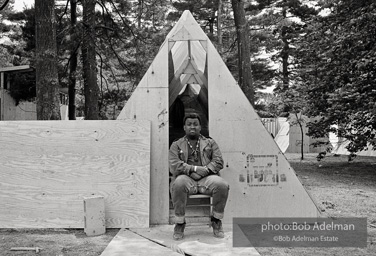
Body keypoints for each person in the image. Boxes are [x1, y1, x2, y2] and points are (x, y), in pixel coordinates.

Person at [169, 113, 229, 240]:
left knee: (222, 185)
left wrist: (206, 170)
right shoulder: (176, 144)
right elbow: (174, 165)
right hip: (185, 178)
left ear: (200, 127)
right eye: (189, 124)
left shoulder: (210, 142)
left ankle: (216, 220)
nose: (192, 127)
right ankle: (180, 222)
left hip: (206, 178)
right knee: (178, 184)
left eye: (195, 124)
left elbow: (218, 161)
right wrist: (193, 169)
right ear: (184, 127)